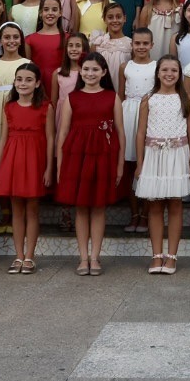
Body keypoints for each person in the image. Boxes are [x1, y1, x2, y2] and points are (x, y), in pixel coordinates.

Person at [54, 52, 124, 276]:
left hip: (104, 156)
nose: (90, 73)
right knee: (81, 207)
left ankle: (96, 257)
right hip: (77, 156)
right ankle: (83, 257)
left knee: (99, 207)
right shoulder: (72, 99)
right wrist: (59, 165)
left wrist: (120, 165)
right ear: (80, 71)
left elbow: (121, 134)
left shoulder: (112, 97)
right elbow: (63, 133)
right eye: (86, 69)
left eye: (95, 69)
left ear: (104, 72)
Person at [136, 56, 190, 274]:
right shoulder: (148, 99)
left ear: (179, 73)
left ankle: (172, 256)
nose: (169, 74)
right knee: (155, 205)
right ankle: (156, 255)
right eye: (164, 69)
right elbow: (140, 132)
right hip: (154, 156)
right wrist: (140, 163)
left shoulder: (185, 99)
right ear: (157, 73)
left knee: (175, 205)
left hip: (178, 155)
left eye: (174, 70)